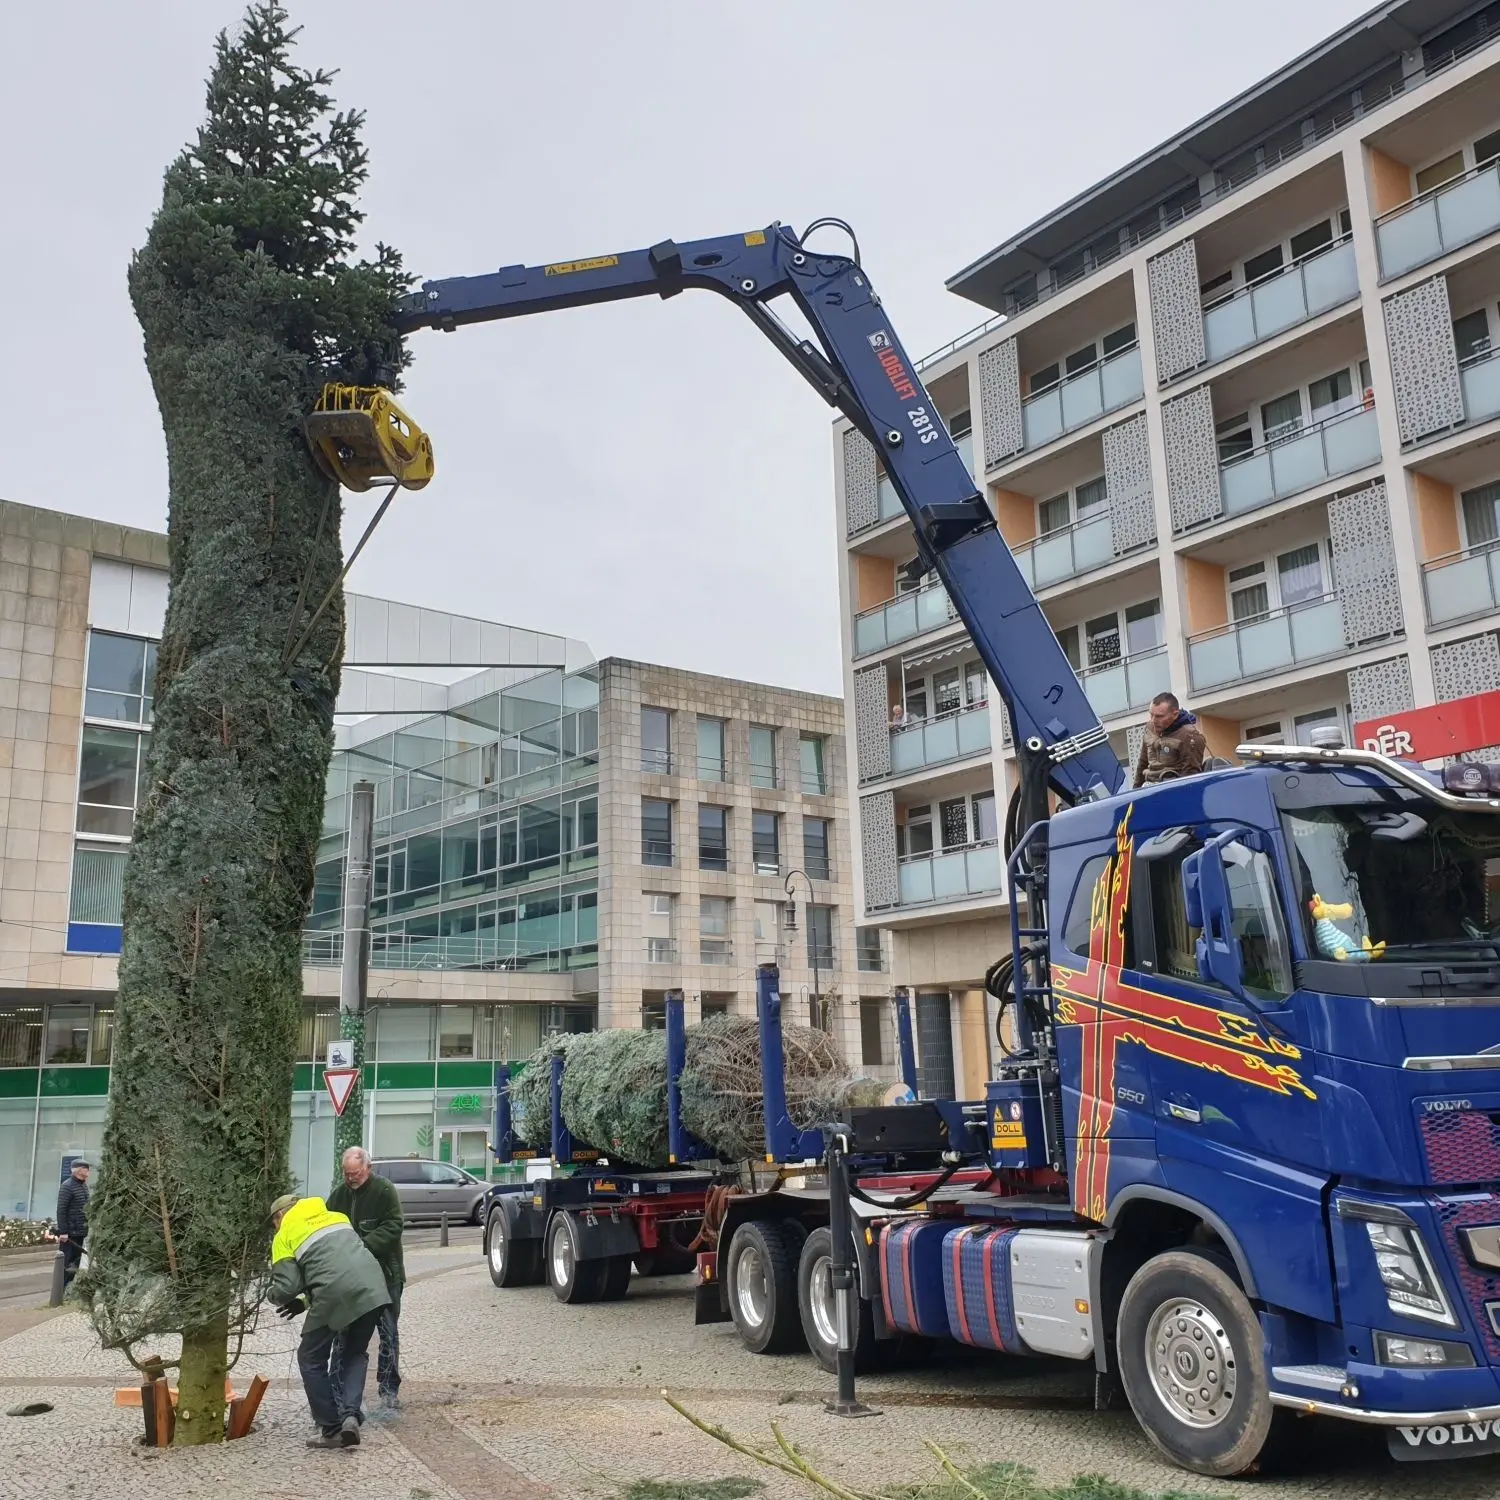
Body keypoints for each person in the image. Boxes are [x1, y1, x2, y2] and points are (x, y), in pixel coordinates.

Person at [267, 1193, 391, 1450]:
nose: (275, 1227)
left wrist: (272, 1294)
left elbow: (288, 1286)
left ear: (281, 1216)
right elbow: (337, 1266)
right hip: (373, 1288)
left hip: (336, 1293)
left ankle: (331, 1428)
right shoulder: (337, 1218)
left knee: (310, 1358)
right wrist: (303, 1302)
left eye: (274, 1222)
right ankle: (349, 1417)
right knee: (355, 1353)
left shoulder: (285, 1233)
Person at [327, 1147, 405, 1409]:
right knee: (343, 1334)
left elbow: (394, 1225)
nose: (351, 1179)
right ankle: (337, 1392)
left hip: (386, 1275)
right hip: (350, 1280)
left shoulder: (384, 1191)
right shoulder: (338, 1196)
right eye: (347, 1174)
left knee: (389, 1333)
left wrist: (361, 1247)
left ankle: (388, 1389)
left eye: (356, 1173)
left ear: (368, 1169)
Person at [1133, 691, 1207, 789]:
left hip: (1171, 789)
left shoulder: (1190, 736)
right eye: (1151, 715)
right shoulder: (1149, 728)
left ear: (1175, 714)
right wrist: (1134, 794)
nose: (1153, 720)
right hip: (1148, 788)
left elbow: (1190, 777)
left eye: (1159, 716)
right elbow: (1142, 764)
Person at [54, 1159, 90, 1286]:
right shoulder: (67, 1186)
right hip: (70, 1233)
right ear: (79, 1170)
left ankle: (70, 1290)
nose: (88, 1172)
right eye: (86, 1169)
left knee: (76, 1263)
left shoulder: (83, 1185)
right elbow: (61, 1210)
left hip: (80, 1231)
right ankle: (62, 1291)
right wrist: (63, 1232)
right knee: (68, 1264)